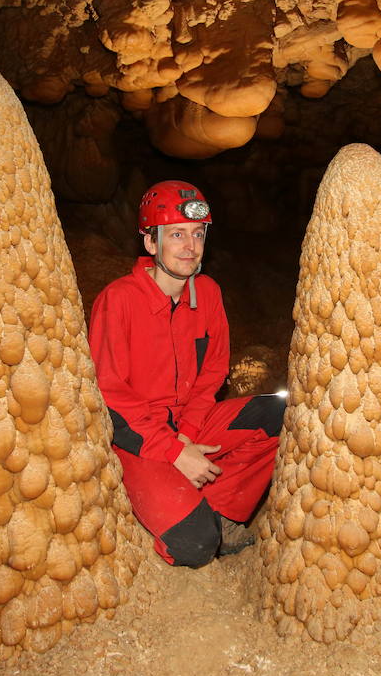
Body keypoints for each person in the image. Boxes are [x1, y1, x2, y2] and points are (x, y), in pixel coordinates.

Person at [89, 180, 283, 567]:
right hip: (137, 441)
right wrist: (174, 452)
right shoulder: (119, 300)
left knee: (282, 412)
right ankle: (173, 506)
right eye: (176, 234)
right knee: (195, 546)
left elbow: (212, 375)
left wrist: (187, 436)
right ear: (151, 242)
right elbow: (109, 396)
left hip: (188, 427)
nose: (190, 246)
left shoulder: (207, 294)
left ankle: (220, 511)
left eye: (197, 234)